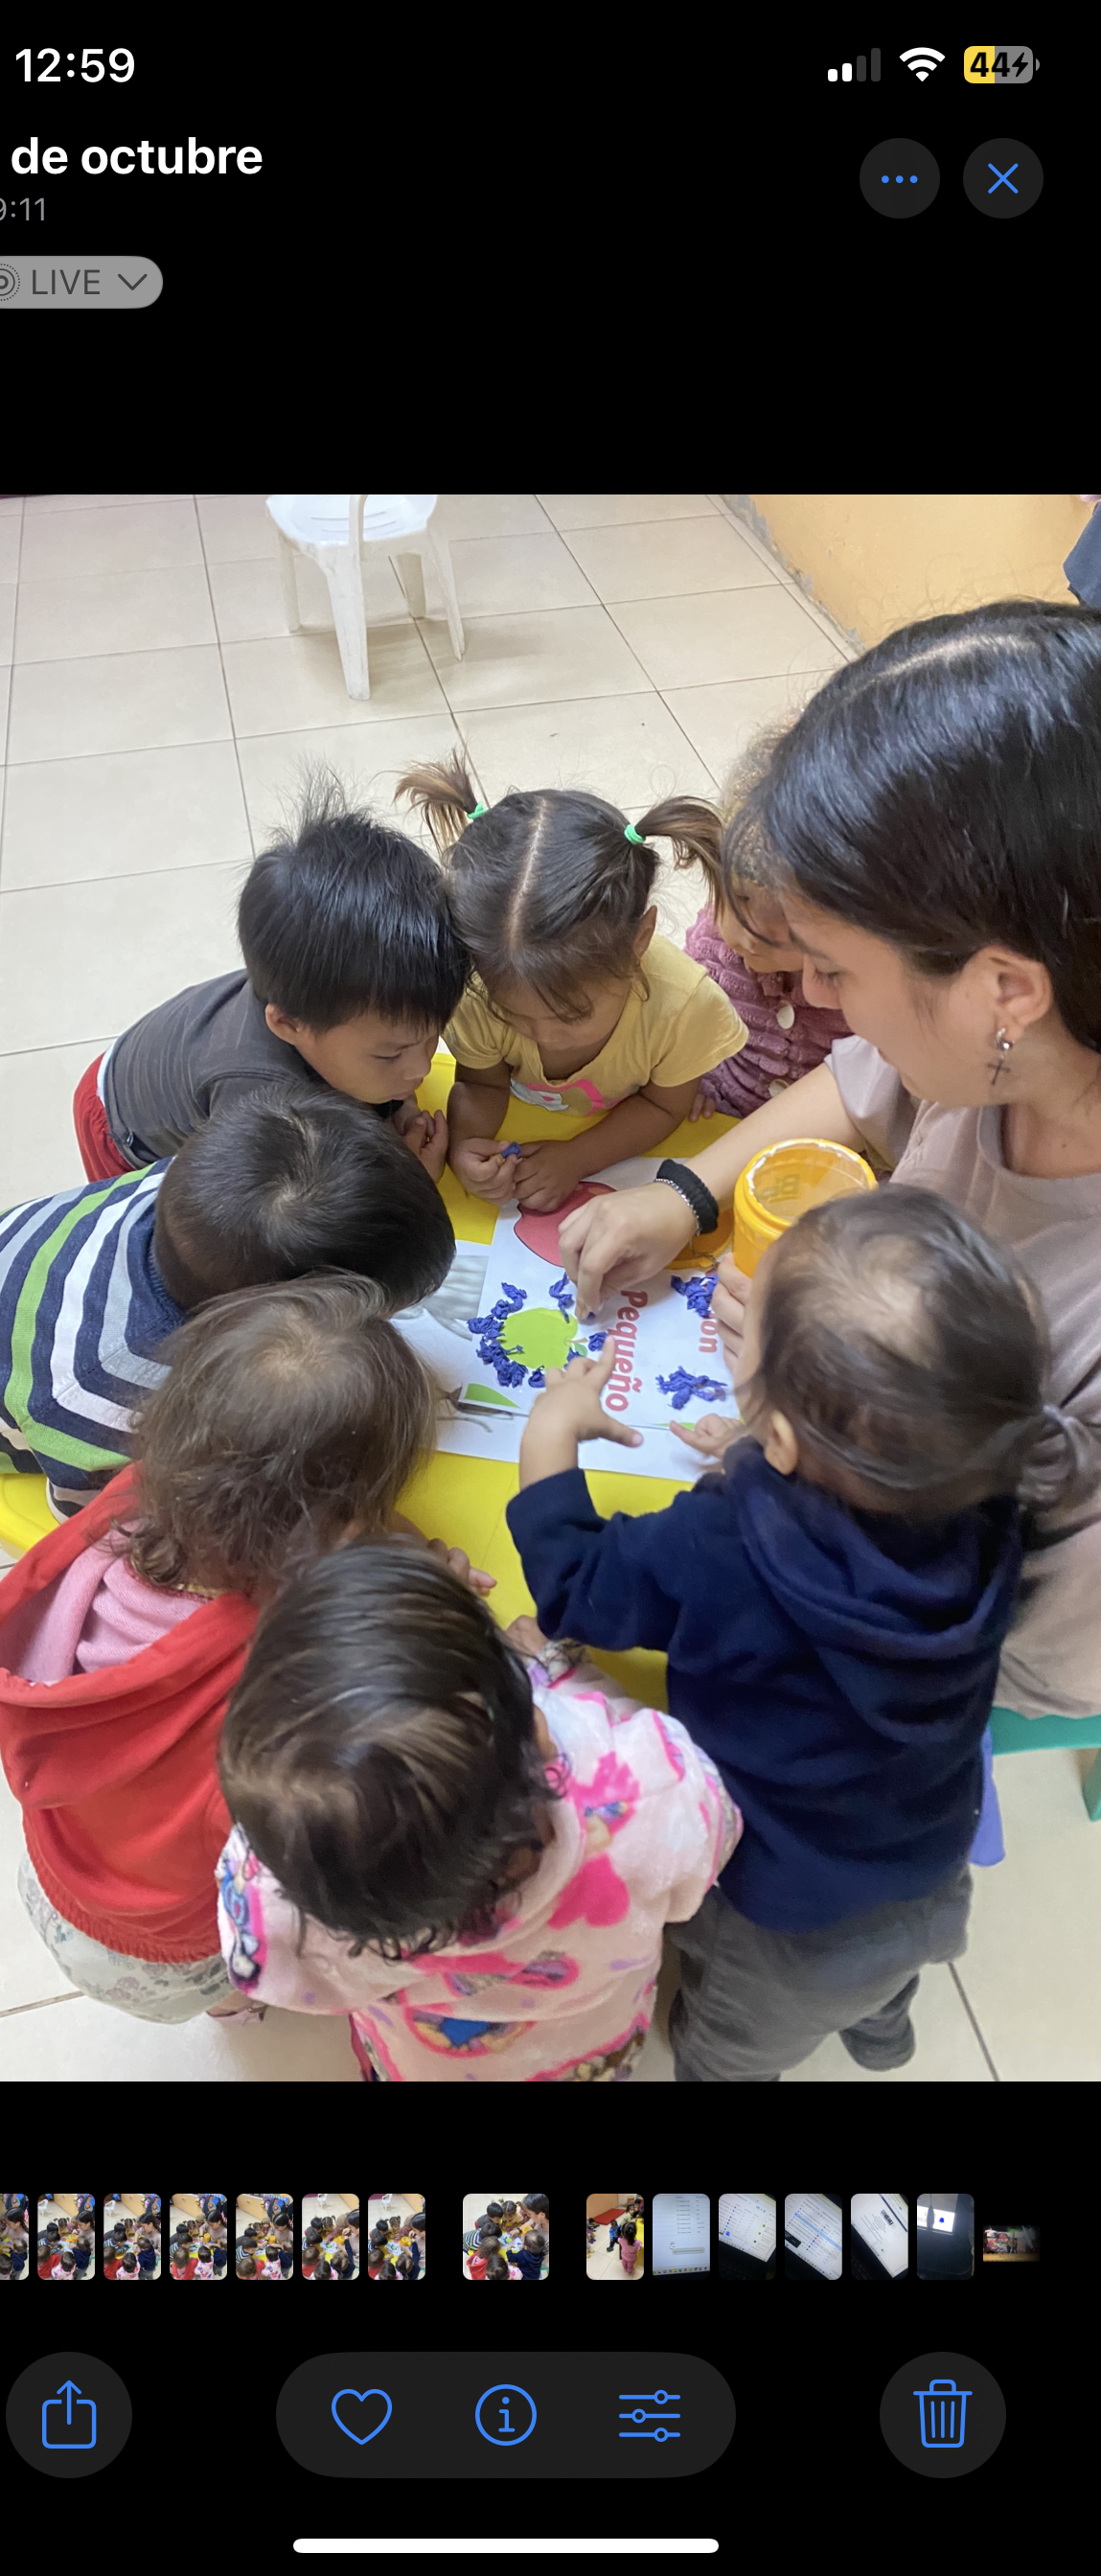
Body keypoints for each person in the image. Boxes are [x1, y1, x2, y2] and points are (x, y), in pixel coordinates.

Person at [557, 602, 1101, 1729]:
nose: (809, 1000)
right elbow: (860, 1085)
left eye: (836, 970)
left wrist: (817, 1472)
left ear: (1004, 991)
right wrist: (687, 1192)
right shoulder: (1002, 1050)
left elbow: (1000, 1664)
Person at [508, 1187, 1087, 2082]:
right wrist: (771, 1452)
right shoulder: (994, 1505)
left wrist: (549, 1439)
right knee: (883, 1980)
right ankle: (884, 2036)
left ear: (779, 1436)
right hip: (930, 1859)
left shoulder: (724, 1546)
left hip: (778, 1912)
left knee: (731, 2048)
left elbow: (575, 1588)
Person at [0, 1274, 443, 2024]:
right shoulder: (286, 1670)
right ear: (339, 1528)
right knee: (225, 1985)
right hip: (171, 1943)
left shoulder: (142, 1495)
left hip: (61, 1877)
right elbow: (310, 1845)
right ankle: (230, 2008)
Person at [214, 1546, 739, 2081]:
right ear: (538, 1732)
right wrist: (561, 1672)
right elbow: (716, 1832)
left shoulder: (285, 1899)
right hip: (579, 2054)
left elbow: (256, 1964)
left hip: (424, 2063)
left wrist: (421, 1627)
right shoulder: (645, 1796)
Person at [0, 1081, 454, 1535]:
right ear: (275, 1325)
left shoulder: (208, 1195)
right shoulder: (114, 1389)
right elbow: (90, 1529)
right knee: (1, 1516)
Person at [73, 775, 469, 1186]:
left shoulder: (328, 1001)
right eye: (390, 1055)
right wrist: (402, 1184)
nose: (422, 1067)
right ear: (288, 1024)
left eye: (431, 1037)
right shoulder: (259, 1102)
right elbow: (266, 1212)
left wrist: (395, 1104)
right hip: (119, 1127)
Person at [396, 756, 746, 1214]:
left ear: (639, 940)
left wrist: (579, 1158)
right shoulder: (476, 990)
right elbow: (481, 1085)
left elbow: (664, 1107)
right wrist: (466, 1146)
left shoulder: (683, 1008)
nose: (542, 1036)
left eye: (571, 1016)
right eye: (513, 1014)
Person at [682, 833, 850, 1119]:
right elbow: (682, 1016)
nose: (751, 936)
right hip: (721, 1109)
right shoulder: (709, 943)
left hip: (821, 1127)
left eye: (783, 915)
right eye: (741, 898)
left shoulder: (857, 979)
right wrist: (689, 1079)